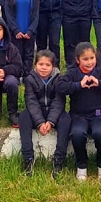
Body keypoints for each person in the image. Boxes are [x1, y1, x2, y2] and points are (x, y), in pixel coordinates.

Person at [56, 42, 101, 181]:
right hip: (78, 115)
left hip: (99, 114)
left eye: (92, 58)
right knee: (77, 134)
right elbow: (60, 86)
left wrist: (100, 83)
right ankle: (81, 165)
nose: (89, 62)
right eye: (85, 59)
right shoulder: (73, 73)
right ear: (77, 60)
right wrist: (78, 85)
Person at [20, 50, 70, 178]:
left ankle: (59, 158)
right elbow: (31, 102)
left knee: (66, 119)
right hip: (37, 111)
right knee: (24, 117)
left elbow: (59, 101)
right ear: (35, 65)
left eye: (47, 65)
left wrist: (51, 121)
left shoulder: (59, 79)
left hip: (54, 112)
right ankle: (28, 158)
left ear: (53, 67)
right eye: (40, 64)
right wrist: (40, 122)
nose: (44, 67)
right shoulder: (30, 79)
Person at [5, 0, 39, 75]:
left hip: (29, 31)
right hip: (16, 31)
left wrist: (30, 31)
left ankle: (27, 76)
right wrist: (15, 30)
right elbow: (8, 14)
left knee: (29, 55)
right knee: (16, 54)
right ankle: (16, 75)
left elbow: (36, 14)